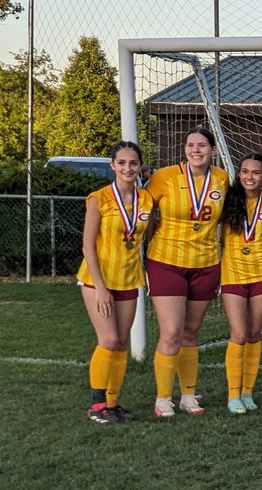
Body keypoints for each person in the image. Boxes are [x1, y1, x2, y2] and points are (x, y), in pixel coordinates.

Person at [144, 127, 231, 418]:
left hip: (206, 263)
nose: (196, 150)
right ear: (184, 149)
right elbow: (143, 211)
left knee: (191, 332)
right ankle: (163, 398)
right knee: (171, 332)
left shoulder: (221, 179)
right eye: (191, 145)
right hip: (167, 261)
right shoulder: (164, 177)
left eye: (202, 145)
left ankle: (189, 396)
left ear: (212, 150)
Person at [77, 141, 153, 424]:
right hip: (99, 279)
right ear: (112, 165)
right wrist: (100, 288)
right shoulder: (99, 199)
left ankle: (112, 402)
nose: (127, 168)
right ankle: (97, 405)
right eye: (121, 163)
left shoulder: (146, 199)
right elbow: (87, 246)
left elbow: (148, 230)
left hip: (129, 277)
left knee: (120, 342)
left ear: (139, 166)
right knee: (108, 339)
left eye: (133, 163)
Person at [218, 153, 262, 414]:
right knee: (239, 334)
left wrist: (256, 252)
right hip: (232, 275)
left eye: (255, 172)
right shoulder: (227, 200)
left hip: (261, 274)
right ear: (238, 174)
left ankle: (248, 392)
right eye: (244, 171)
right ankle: (233, 395)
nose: (249, 177)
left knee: (254, 334)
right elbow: (218, 236)